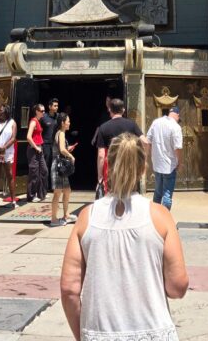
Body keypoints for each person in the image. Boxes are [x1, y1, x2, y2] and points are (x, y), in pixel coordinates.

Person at [60, 132, 188, 341]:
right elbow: (177, 287)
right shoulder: (160, 216)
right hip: (153, 331)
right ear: (143, 168)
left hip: (101, 333)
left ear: (108, 165)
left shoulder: (87, 217)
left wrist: (82, 335)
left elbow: (69, 289)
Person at [94, 98, 145, 194]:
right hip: (130, 166)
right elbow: (144, 142)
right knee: (130, 194)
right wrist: (142, 163)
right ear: (123, 110)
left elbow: (101, 155)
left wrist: (100, 176)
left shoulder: (103, 128)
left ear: (110, 109)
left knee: (113, 195)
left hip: (112, 169)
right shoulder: (132, 125)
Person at [145, 106, 183, 210]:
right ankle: (165, 218)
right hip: (169, 166)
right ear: (177, 115)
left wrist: (146, 158)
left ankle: (155, 216)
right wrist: (180, 163)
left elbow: (147, 141)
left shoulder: (156, 122)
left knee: (157, 192)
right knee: (167, 195)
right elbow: (178, 148)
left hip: (157, 164)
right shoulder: (175, 127)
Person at [50, 112, 77, 227]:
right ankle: (53, 219)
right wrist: (71, 156)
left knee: (67, 190)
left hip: (60, 165)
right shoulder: (61, 133)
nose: (69, 123)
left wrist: (68, 149)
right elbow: (61, 149)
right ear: (62, 123)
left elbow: (61, 149)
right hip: (58, 166)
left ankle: (66, 214)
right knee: (57, 192)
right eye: (68, 121)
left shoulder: (60, 133)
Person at [0, 103, 17, 211]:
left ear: (7, 112)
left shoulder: (12, 123)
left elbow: (13, 138)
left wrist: (4, 148)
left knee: (9, 175)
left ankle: (13, 200)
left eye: (2, 110)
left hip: (7, 151)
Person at [27, 103, 48, 202]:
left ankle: (41, 193)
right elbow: (28, 137)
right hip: (34, 149)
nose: (43, 113)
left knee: (44, 170)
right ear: (37, 111)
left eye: (44, 111)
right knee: (34, 173)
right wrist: (35, 147)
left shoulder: (38, 121)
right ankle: (31, 195)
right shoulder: (33, 121)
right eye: (42, 111)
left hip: (39, 148)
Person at [41, 98, 60, 181]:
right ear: (50, 107)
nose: (56, 107)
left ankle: (53, 185)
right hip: (46, 145)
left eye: (57, 106)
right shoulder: (44, 117)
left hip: (55, 145)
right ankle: (45, 185)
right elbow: (39, 131)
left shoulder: (58, 117)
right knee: (46, 165)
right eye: (55, 106)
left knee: (54, 165)